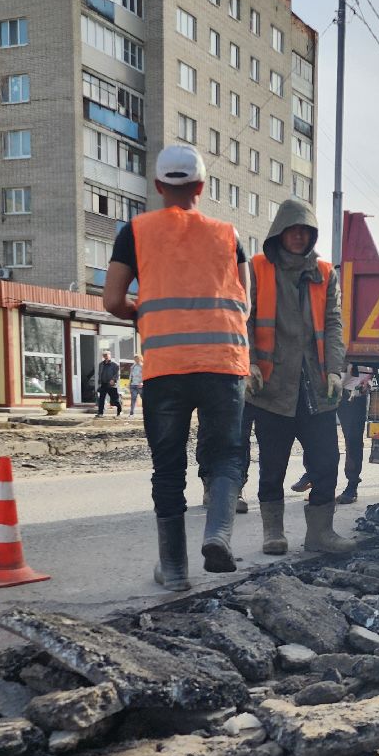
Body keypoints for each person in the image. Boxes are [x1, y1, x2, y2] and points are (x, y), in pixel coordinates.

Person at [102, 144, 254, 591]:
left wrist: (146, 313)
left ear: (158, 186)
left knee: (167, 468)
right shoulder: (229, 234)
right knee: (225, 455)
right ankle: (218, 534)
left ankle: (173, 569)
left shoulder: (136, 231)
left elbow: (112, 300)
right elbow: (244, 302)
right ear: (201, 188)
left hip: (166, 368)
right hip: (223, 364)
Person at [247, 197, 355, 556]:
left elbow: (334, 324)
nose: (297, 236)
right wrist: (247, 363)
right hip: (271, 385)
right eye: (292, 229)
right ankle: (273, 531)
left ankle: (320, 533)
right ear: (279, 231)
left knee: (326, 460)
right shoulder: (256, 269)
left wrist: (336, 371)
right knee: (273, 463)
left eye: (304, 231)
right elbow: (241, 320)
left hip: (316, 385)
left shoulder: (325, 273)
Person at [336, 365, 375, 504]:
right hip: (322, 382)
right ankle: (314, 479)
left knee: (353, 439)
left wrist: (369, 376)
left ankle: (352, 485)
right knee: (317, 437)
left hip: (354, 384)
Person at [94, 351, 121, 417]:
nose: (105, 356)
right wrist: (99, 383)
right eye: (104, 355)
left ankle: (119, 408)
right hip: (103, 384)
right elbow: (99, 374)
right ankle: (100, 413)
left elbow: (117, 374)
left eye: (107, 355)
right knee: (101, 399)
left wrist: (113, 380)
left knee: (114, 401)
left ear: (110, 355)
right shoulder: (101, 364)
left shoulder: (115, 365)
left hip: (111, 385)